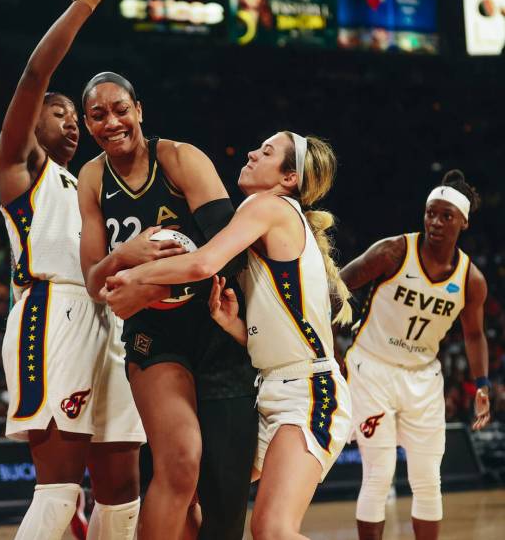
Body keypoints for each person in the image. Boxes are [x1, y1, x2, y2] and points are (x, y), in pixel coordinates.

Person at [99, 131, 354, 540]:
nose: (252, 152)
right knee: (191, 489)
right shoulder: (275, 218)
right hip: (274, 387)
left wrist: (134, 274)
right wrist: (237, 326)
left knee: (272, 529)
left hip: (309, 392)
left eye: (266, 152)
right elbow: (281, 335)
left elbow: (201, 265)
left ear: (289, 178)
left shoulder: (265, 205)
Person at [0, 0, 146, 540]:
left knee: (121, 495)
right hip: (51, 314)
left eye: (72, 116)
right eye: (60, 112)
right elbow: (36, 71)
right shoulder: (20, 168)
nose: (71, 124)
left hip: (109, 316)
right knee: (59, 494)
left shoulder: (92, 185)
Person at [77, 77, 258, 540]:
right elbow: (96, 282)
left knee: (218, 491)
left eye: (120, 109)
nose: (112, 122)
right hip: (155, 337)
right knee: (180, 462)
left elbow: (232, 254)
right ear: (87, 123)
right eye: (98, 115)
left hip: (216, 326)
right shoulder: (93, 178)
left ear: (139, 109)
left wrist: (149, 280)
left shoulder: (181, 159)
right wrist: (125, 257)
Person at [339, 170, 491, 540]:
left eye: (446, 216)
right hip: (372, 368)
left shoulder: (471, 279)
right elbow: (339, 283)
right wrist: (329, 342)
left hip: (423, 375)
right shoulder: (393, 251)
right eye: (430, 213)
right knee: (379, 472)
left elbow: (473, 334)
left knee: (427, 479)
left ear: (463, 221)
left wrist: (482, 385)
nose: (435, 222)